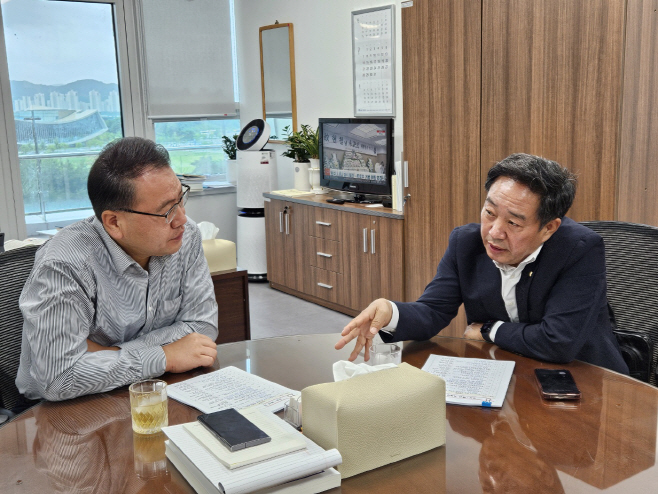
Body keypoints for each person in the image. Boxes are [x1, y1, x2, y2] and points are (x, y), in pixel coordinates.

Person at [336, 153, 628, 374]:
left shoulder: (580, 249)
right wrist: (391, 311)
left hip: (581, 378)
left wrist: (489, 330)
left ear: (549, 228)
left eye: (513, 222)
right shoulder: (466, 243)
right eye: (489, 212)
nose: (494, 232)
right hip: (501, 371)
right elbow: (434, 311)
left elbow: (558, 341)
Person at [16, 137, 218, 403]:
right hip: (62, 409)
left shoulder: (185, 236)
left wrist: (105, 353)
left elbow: (202, 327)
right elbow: (59, 378)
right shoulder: (64, 263)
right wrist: (164, 355)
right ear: (114, 222)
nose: (181, 219)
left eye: (181, 199)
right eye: (167, 211)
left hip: (152, 387)